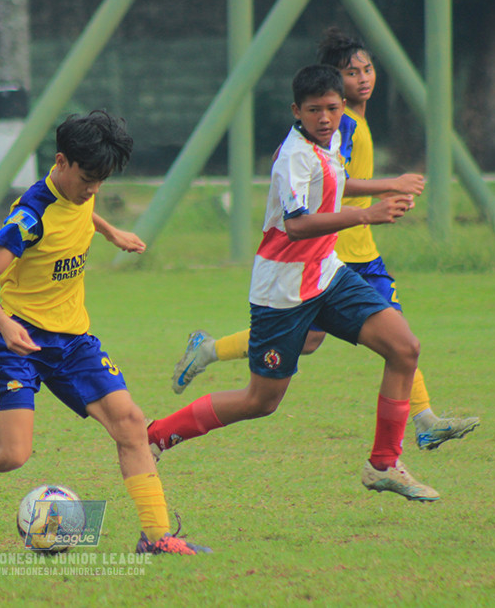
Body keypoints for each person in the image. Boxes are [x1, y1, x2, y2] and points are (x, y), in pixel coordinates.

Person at [0, 110, 210, 555]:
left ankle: (157, 536)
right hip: (18, 341)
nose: (94, 190)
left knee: (131, 423)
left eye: (102, 181)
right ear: (61, 162)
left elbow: (80, 213)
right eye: (89, 178)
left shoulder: (80, 193)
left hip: (73, 341)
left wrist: (110, 231)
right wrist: (5, 324)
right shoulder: (29, 216)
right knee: (12, 454)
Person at [169, 28, 479, 452]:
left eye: (368, 69)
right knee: (269, 393)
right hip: (330, 253)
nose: (363, 78)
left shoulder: (337, 128)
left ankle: (409, 436)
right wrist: (380, 198)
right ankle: (199, 365)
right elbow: (322, 195)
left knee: (396, 341)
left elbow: (332, 180)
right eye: (352, 73)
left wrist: (378, 200)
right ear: (309, 102)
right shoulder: (336, 128)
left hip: (343, 256)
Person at [149, 65, 439, 501]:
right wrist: (368, 213)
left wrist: (384, 187)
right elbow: (297, 224)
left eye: (332, 108)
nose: (325, 117)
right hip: (284, 288)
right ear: (296, 111)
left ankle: (384, 463)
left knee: (404, 347)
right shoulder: (292, 157)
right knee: (260, 402)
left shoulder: (336, 134)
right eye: (314, 110)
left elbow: (335, 180)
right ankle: (155, 435)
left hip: (327, 273)